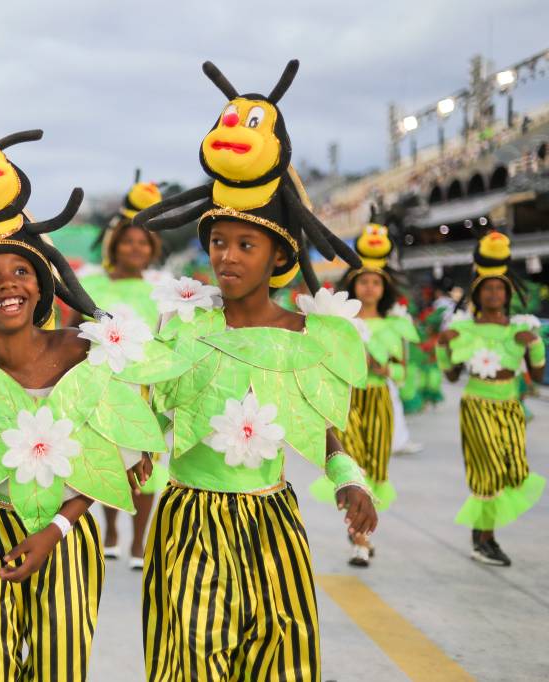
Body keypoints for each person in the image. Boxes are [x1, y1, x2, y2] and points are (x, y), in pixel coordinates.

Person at [0, 126, 185, 680]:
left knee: (60, 668)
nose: (8, 285)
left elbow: (104, 462)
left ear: (42, 284)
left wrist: (57, 531)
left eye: (22, 272)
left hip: (66, 536)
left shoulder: (84, 353)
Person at [134, 58, 377, 681]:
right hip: (190, 520)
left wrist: (348, 479)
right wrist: (137, 450)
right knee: (190, 660)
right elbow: (153, 406)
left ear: (278, 257)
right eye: (219, 242)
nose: (228, 257)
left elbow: (320, 425)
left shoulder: (304, 335)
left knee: (279, 658)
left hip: (272, 522)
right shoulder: (187, 324)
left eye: (246, 245)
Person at [68, 173, 168, 568]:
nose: (135, 247)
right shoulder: (92, 284)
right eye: (128, 241)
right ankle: (110, 530)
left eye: (143, 242)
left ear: (153, 248)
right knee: (110, 461)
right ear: (114, 244)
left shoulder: (161, 290)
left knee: (147, 465)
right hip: (101, 386)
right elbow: (72, 329)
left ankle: (138, 542)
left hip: (144, 389)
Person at [437, 231, 545, 566]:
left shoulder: (519, 329)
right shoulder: (464, 329)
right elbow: (451, 376)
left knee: (514, 472)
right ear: (476, 293)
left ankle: (482, 534)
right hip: (477, 406)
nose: (494, 293)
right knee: (490, 472)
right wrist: (443, 347)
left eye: (500, 288)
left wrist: (534, 345)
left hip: (510, 407)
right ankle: (485, 539)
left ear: (508, 294)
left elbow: (537, 375)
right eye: (488, 288)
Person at [315, 222, 418, 567]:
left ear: (384, 288)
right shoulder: (341, 324)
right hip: (349, 402)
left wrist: (384, 369)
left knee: (374, 468)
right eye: (363, 281)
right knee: (352, 465)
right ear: (353, 285)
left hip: (379, 402)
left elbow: (403, 372)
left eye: (376, 282)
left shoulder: (396, 325)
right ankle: (360, 540)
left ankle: (362, 532)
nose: (370, 287)